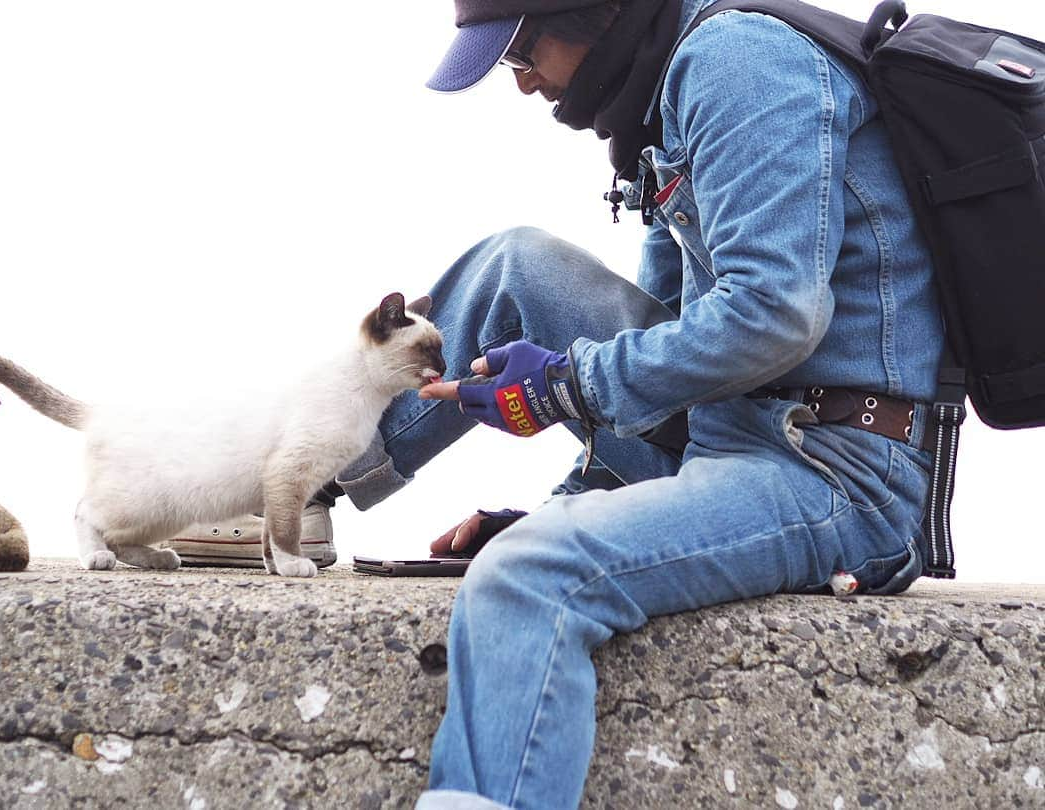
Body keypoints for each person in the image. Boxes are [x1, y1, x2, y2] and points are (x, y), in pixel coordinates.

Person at [224, 0, 946, 806]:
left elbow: (774, 315)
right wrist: (582, 499)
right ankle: (298, 486)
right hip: (732, 427)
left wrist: (564, 386)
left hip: (828, 466)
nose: (524, 80)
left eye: (523, 49)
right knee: (515, 265)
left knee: (527, 579)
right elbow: (677, 354)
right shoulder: (662, 91)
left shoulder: (739, 63)